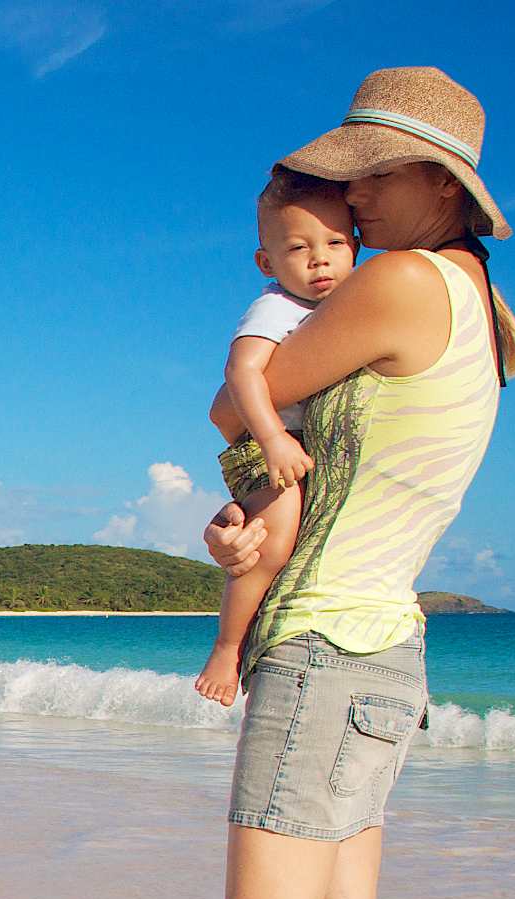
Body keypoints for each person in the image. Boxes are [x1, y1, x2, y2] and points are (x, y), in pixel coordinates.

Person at [200, 66, 515, 899]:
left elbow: (238, 400)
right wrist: (251, 524)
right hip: (381, 643)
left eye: (366, 173)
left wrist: (244, 434)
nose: (348, 193)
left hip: (325, 650)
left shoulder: (397, 281)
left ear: (437, 184)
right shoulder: (472, 303)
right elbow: (298, 459)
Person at [194, 172, 357, 708]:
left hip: (290, 441)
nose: (320, 260)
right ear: (268, 263)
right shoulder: (276, 309)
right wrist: (270, 438)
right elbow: (240, 374)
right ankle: (227, 647)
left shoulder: (346, 306)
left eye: (335, 243)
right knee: (274, 540)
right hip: (266, 441)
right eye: (298, 248)